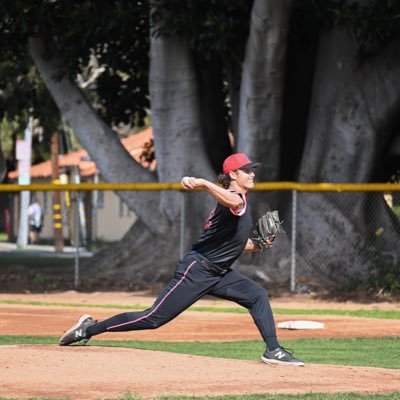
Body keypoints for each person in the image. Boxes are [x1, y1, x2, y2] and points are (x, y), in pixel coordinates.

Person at [59, 153, 304, 366]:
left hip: (219, 272)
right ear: (232, 175)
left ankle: (274, 350)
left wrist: (258, 246)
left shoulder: (237, 201)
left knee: (257, 295)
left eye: (252, 170)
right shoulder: (234, 198)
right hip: (197, 270)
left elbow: (235, 244)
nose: (252, 174)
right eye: (246, 170)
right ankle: (88, 328)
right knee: (152, 318)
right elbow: (233, 201)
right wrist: (205, 183)